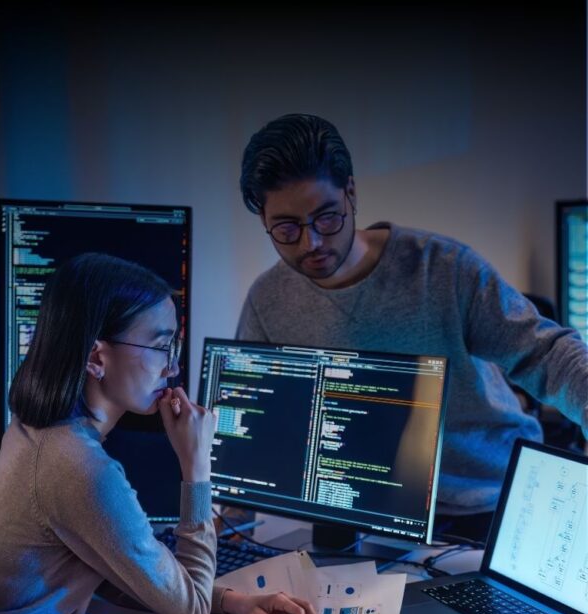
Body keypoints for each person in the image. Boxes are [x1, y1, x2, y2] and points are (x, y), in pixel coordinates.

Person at [235, 113, 588, 541]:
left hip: (484, 503)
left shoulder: (443, 269)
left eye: (326, 218)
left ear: (350, 193)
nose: (311, 243)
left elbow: (548, 354)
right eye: (288, 228)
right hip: (361, 511)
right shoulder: (268, 299)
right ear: (265, 222)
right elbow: (249, 429)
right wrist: (226, 536)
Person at [0, 253, 323, 614]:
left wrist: (235, 601)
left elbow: (122, 569)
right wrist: (197, 466)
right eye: (161, 347)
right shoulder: (81, 470)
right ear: (97, 357)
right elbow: (193, 611)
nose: (172, 368)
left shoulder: (34, 431)